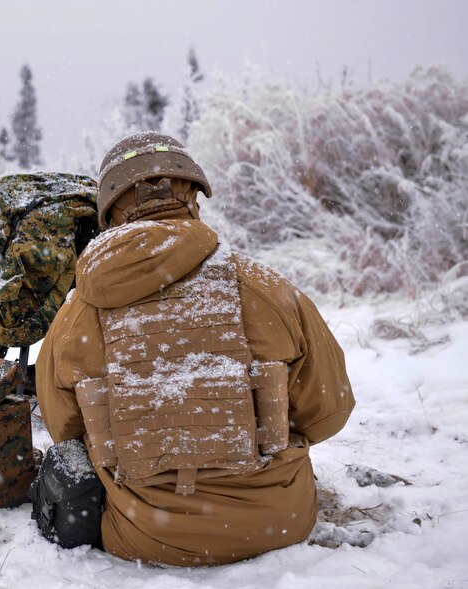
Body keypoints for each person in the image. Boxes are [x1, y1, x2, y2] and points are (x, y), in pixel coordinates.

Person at [33, 131, 355, 565]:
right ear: (192, 197)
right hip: (278, 527)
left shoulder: (77, 313)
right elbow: (329, 411)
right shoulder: (265, 288)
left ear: (110, 212)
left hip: (143, 537)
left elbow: (65, 430)